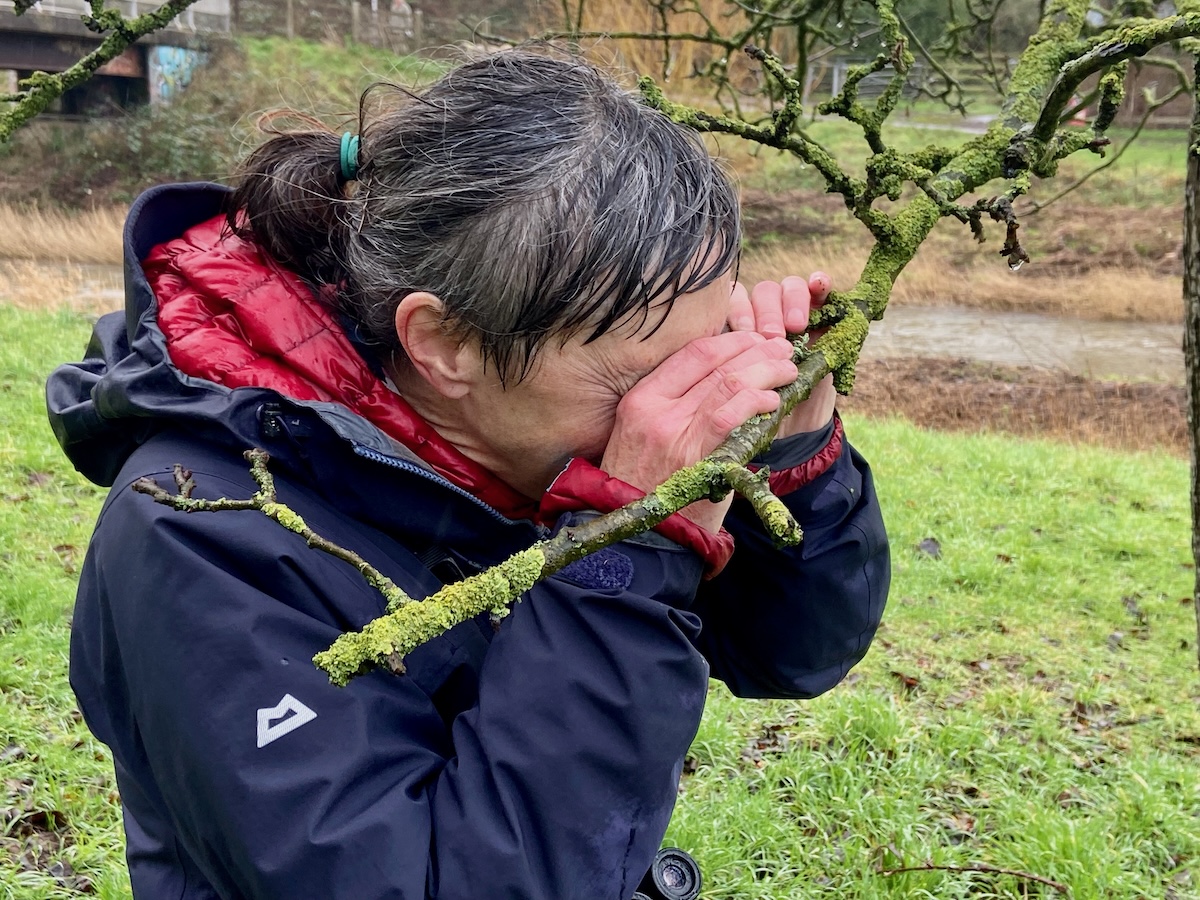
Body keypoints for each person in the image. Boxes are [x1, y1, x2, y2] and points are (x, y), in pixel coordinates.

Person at [47, 51, 889, 900]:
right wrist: (627, 556)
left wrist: (789, 450)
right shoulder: (198, 535)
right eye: (644, 380)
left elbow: (792, 657)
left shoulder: (510, 440)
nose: (687, 407)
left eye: (711, 351)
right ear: (444, 344)